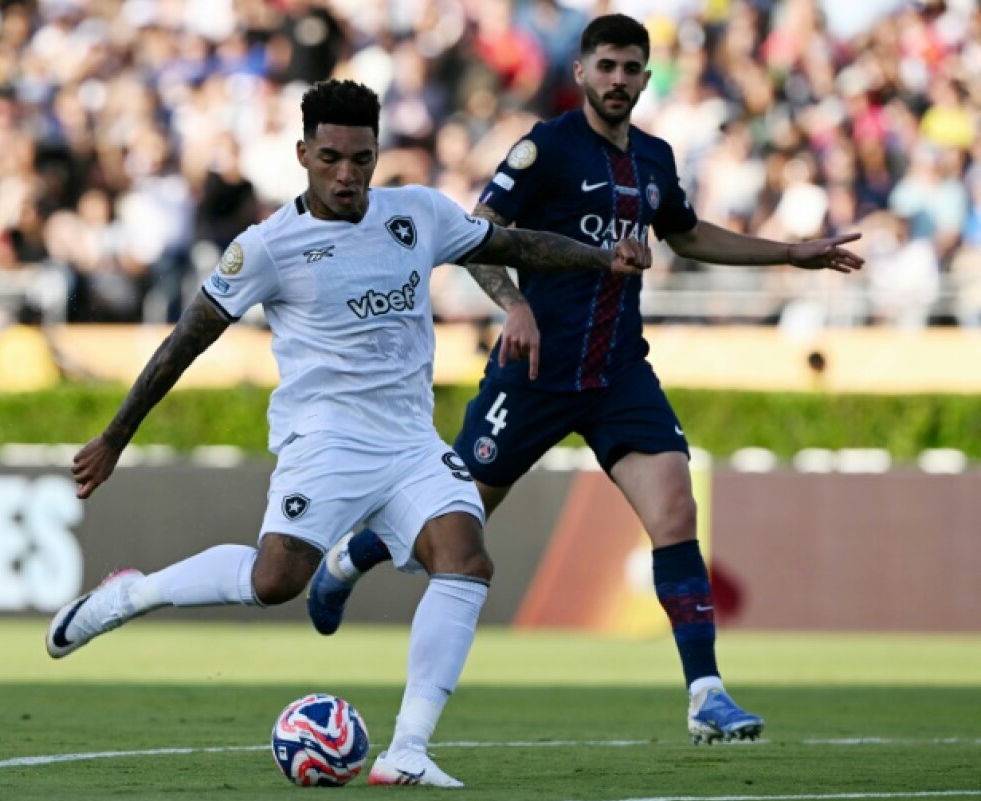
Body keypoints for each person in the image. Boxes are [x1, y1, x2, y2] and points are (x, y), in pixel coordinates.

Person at [48, 78, 651, 788]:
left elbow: (509, 240)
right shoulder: (268, 246)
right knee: (274, 583)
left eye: (361, 159)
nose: (347, 175)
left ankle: (408, 752)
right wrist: (117, 436)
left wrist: (601, 257)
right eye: (331, 157)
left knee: (466, 559)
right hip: (325, 441)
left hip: (408, 442)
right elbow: (186, 341)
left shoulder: (417, 213)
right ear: (303, 153)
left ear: (376, 153)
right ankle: (132, 595)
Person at [306, 15, 866, 746]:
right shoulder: (547, 149)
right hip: (533, 373)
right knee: (449, 523)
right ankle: (354, 554)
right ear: (580, 71)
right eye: (606, 66)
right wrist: (515, 306)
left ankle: (706, 694)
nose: (618, 81)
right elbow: (477, 235)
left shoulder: (657, 161)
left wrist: (791, 254)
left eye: (632, 69)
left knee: (674, 512)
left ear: (645, 77)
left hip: (617, 373)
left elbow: (689, 234)